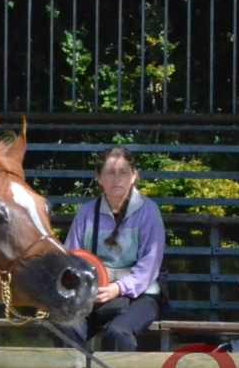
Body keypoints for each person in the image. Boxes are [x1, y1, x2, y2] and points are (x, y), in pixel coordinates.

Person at [60, 147, 167, 353]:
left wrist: (117, 288)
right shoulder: (87, 212)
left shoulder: (149, 211)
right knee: (66, 326)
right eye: (110, 172)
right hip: (93, 293)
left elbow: (149, 267)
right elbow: (70, 257)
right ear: (99, 178)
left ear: (134, 176)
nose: (116, 179)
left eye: (123, 172)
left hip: (141, 296)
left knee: (118, 332)